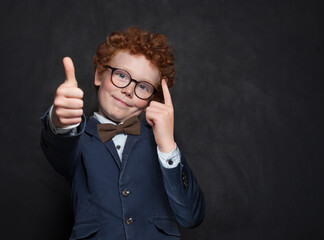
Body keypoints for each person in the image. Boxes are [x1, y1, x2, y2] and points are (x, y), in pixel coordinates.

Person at [40, 27, 205, 240]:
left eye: (143, 87)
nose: (128, 90)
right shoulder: (77, 140)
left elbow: (191, 217)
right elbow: (58, 146)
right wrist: (60, 121)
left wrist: (168, 145)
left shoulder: (162, 145)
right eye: (121, 75)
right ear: (99, 74)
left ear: (151, 100)